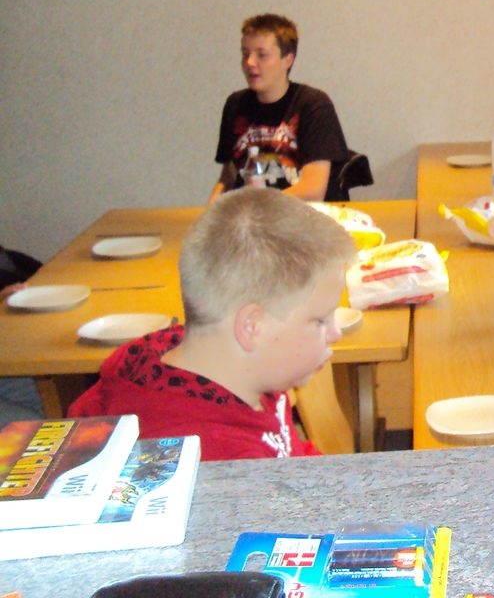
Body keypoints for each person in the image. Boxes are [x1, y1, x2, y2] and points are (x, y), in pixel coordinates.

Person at [68, 188, 355, 460]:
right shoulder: (214, 457)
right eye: (321, 320)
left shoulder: (240, 370)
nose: (335, 333)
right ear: (253, 327)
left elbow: (292, 454)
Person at [209, 13, 351, 203]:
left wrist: (256, 206)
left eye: (262, 55)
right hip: (252, 216)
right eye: (245, 54)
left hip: (303, 217)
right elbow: (227, 178)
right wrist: (211, 213)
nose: (250, 63)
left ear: (288, 60)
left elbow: (313, 190)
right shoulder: (236, 104)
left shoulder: (313, 105)